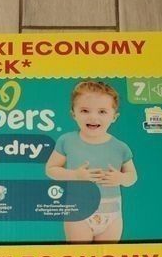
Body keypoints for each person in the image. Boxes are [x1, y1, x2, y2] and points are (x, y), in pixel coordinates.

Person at [46, 80, 137, 242]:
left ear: (114, 117)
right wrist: (75, 175)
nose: (93, 117)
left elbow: (132, 177)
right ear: (74, 114)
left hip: (112, 214)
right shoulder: (67, 141)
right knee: (79, 253)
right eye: (85, 110)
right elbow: (51, 169)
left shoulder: (120, 147)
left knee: (107, 254)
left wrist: (121, 178)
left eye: (102, 111)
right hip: (78, 211)